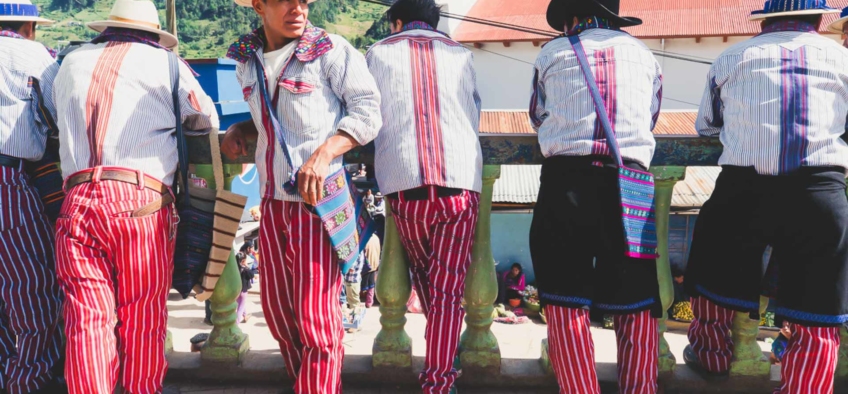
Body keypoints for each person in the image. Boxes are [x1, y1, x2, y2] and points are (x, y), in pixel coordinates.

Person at [53, 0, 219, 392]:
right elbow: (205, 118)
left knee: (88, 321)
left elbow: (48, 115)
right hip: (140, 203)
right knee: (142, 317)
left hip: (76, 200)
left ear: (108, 27)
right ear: (153, 34)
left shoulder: (69, 62)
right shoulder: (166, 64)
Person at [683, 2, 848, 392]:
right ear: (818, 19)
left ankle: (711, 357)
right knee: (819, 304)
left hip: (744, 188)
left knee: (711, 271)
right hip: (819, 191)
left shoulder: (732, 56)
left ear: (766, 19)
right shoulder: (841, 58)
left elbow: (707, 126)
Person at [221, 0, 381, 391]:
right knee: (277, 314)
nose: (298, 7)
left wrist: (326, 152)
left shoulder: (331, 52)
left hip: (317, 205)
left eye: (304, 0)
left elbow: (368, 111)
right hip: (273, 203)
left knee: (316, 319)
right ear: (258, 5)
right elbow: (276, 122)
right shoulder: (248, 59)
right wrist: (244, 127)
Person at [528, 0, 664, 392]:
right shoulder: (644, 55)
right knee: (636, 294)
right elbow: (651, 115)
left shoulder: (552, 53)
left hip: (566, 180)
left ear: (571, 17)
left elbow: (539, 115)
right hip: (630, 182)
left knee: (563, 293)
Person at [366, 0, 482, 392]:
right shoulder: (461, 53)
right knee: (448, 288)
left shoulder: (377, 54)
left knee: (427, 279)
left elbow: (367, 113)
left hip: (406, 185)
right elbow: (474, 110)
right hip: (460, 183)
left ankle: (443, 363)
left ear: (397, 22)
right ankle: (440, 375)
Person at [0, 1, 65, 392]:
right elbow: (62, 115)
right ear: (29, 27)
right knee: (31, 286)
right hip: (8, 181)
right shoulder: (32, 55)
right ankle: (28, 381)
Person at [360, 233, 381, 308]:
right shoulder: (376, 238)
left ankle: (357, 301)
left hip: (366, 264)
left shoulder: (365, 237)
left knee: (360, 283)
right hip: (374, 263)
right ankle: (369, 302)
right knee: (371, 284)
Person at [237, 252, 257, 324]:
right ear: (243, 261)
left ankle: (245, 316)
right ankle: (236, 323)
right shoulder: (245, 270)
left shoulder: (235, 269)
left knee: (241, 303)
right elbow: (252, 275)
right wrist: (247, 266)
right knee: (240, 307)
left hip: (236, 291)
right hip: (243, 291)